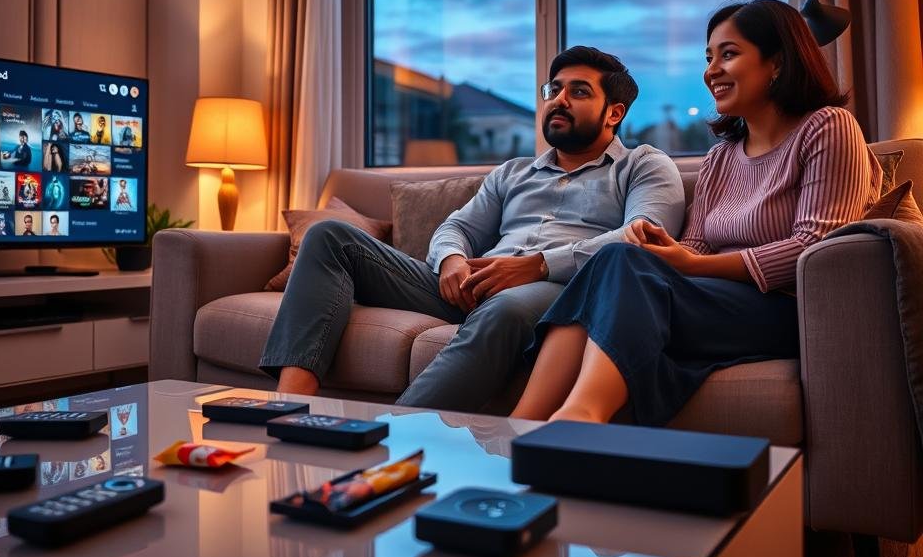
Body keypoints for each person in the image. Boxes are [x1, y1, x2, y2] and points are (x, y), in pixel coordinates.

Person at [511, 0, 882, 426]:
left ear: (777, 63)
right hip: (711, 301)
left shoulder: (827, 127)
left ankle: (580, 416)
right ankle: (520, 425)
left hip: (782, 308)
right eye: (708, 58)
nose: (711, 71)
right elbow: (697, 244)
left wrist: (692, 264)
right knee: (616, 256)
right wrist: (668, 252)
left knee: (622, 265)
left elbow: (814, 246)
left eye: (729, 54)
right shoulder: (720, 157)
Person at [259, 46, 686, 411]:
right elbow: (457, 226)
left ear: (614, 113)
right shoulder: (513, 172)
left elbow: (643, 239)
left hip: (560, 291)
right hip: (475, 285)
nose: (559, 100)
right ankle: (292, 407)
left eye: (578, 91)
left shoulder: (644, 164)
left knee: (505, 308)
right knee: (330, 236)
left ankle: (400, 437)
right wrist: (451, 261)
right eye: (553, 89)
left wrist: (537, 265)